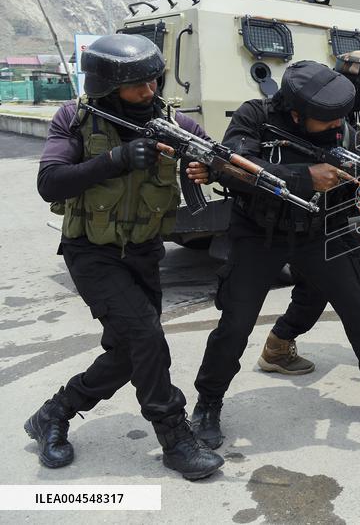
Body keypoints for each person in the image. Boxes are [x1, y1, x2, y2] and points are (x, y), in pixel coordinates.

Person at [191, 61, 360, 450]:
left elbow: (355, 179)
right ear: (296, 114)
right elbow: (229, 168)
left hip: (319, 231)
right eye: (328, 121)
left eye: (341, 118)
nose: (338, 126)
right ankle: (208, 404)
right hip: (259, 234)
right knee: (236, 324)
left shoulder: (342, 129)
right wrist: (305, 177)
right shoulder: (255, 116)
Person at [27, 34, 224, 480]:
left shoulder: (171, 122)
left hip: (144, 252)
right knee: (147, 338)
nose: (149, 91)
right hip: (91, 252)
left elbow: (213, 153)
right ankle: (175, 438)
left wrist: (209, 167)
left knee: (130, 352)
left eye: (154, 81)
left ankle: (54, 413)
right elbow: (50, 182)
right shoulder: (74, 119)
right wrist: (115, 159)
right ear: (108, 87)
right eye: (137, 85)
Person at [257, 51, 360, 376]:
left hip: (328, 218)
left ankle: (278, 345)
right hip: (300, 221)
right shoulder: (307, 117)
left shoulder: (345, 123)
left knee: (319, 288)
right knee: (355, 281)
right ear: (356, 82)